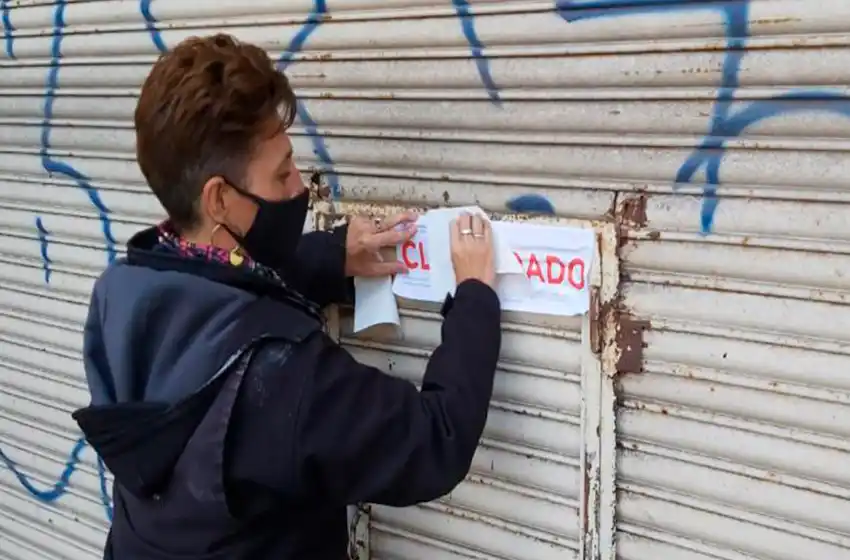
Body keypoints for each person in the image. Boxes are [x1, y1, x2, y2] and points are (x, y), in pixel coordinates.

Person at [71, 33, 502, 559]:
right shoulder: (285, 380)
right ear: (220, 198)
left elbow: (211, 317)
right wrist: (476, 294)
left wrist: (330, 255)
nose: (300, 187)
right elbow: (437, 441)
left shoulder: (121, 294)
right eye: (280, 174)